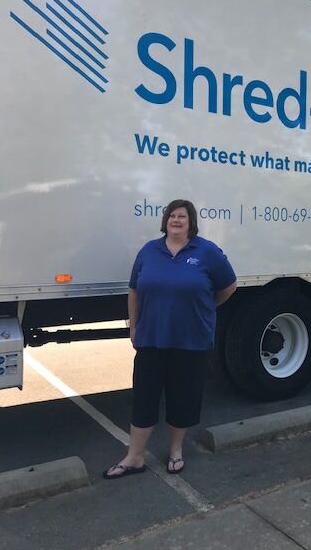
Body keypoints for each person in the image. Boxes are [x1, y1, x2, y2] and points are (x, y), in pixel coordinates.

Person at [103, 199, 237, 479]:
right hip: (152, 338)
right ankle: (134, 456)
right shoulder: (149, 251)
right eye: (172, 216)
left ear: (191, 222)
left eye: (182, 216)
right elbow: (133, 290)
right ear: (165, 221)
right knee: (144, 398)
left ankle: (176, 450)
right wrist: (134, 326)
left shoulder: (207, 251)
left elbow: (229, 286)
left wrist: (207, 306)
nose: (176, 220)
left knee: (183, 397)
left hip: (191, 340)